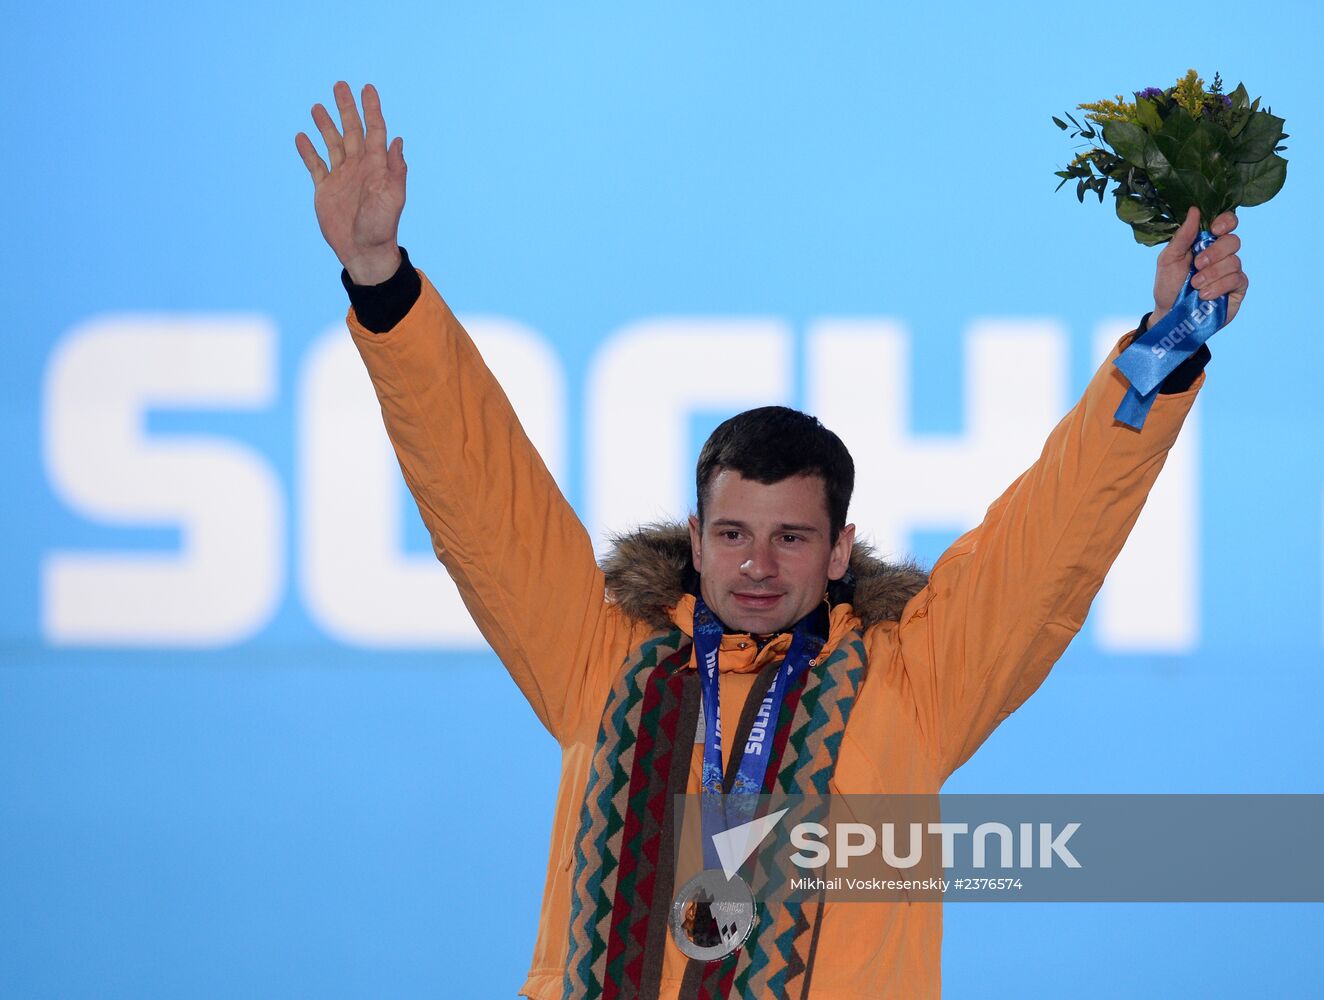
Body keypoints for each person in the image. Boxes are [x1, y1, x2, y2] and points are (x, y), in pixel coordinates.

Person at [295, 82, 1248, 1000]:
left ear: (840, 550)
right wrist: (381, 281)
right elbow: (478, 489)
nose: (758, 564)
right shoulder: (601, 660)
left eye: (792, 536)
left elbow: (1057, 531)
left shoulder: (912, 687)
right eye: (734, 534)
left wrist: (1166, 347)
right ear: (697, 541)